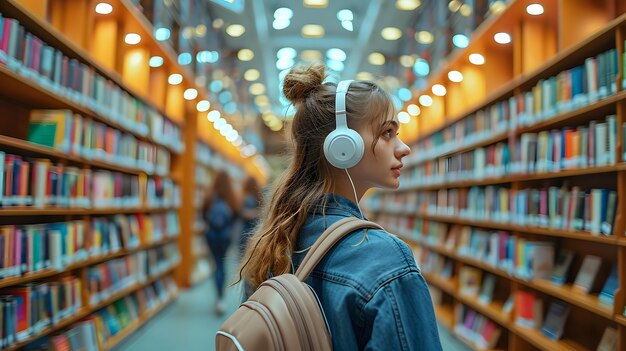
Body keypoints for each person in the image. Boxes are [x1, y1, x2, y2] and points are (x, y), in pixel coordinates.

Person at [238, 65, 442, 350]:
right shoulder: (384, 258)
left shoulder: (273, 239)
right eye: (387, 133)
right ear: (342, 146)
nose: (403, 148)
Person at [203, 170, 238, 316]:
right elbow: (237, 215)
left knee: (216, 264)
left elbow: (203, 214)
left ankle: (218, 297)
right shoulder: (232, 196)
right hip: (225, 237)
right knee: (222, 265)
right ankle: (222, 298)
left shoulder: (210, 196)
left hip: (211, 236)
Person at [238, 176, 262, 258]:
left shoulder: (247, 198)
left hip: (245, 230)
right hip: (255, 230)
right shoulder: (258, 197)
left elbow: (244, 213)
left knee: (243, 256)